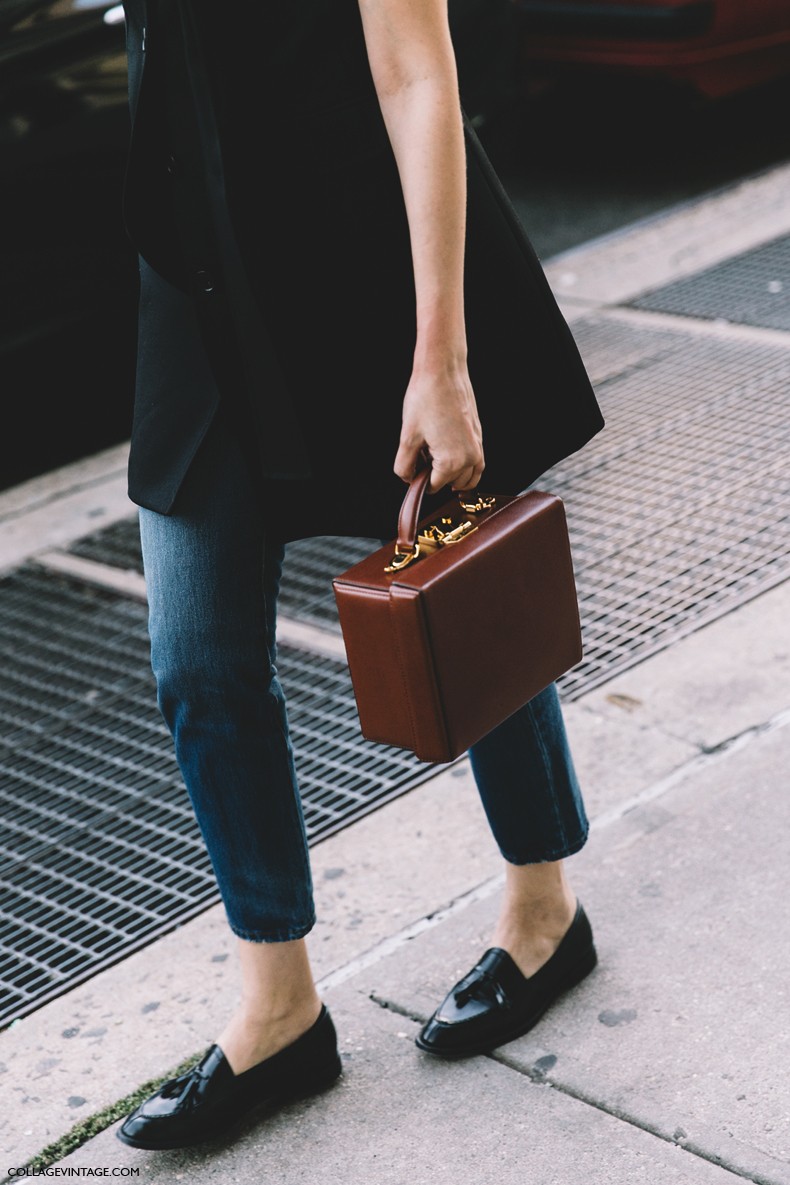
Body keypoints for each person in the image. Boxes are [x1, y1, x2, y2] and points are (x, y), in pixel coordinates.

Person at [115, 0, 605, 1153]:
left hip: (367, 270)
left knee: (460, 601)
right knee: (195, 658)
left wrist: (441, 357)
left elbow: (415, 74)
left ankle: (544, 907)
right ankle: (278, 1003)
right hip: (199, 294)